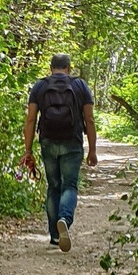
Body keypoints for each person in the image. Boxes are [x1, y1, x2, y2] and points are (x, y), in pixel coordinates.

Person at [21, 53, 98, 252]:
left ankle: (55, 237)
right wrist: (92, 150)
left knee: (53, 186)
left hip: (48, 141)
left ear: (50, 68)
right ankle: (64, 219)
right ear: (69, 68)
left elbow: (30, 120)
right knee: (69, 185)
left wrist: (28, 150)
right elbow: (89, 120)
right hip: (72, 142)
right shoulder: (80, 86)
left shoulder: (40, 86)